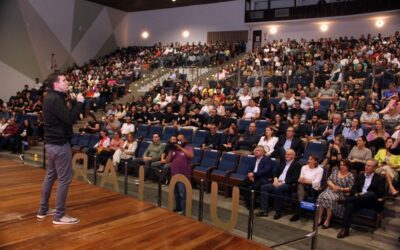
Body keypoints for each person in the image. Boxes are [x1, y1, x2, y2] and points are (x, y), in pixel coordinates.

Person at [37, 72, 84, 225]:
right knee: (64, 179)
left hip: (52, 143)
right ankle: (59, 216)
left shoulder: (52, 97)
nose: (67, 82)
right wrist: (79, 103)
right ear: (56, 85)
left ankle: (43, 210)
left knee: (50, 176)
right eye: (64, 80)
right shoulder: (55, 99)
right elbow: (70, 119)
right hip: (59, 144)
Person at [337, 159, 386, 238]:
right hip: (358, 200)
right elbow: (354, 189)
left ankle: (346, 200)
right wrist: (357, 193)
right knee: (350, 204)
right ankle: (345, 229)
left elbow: (380, 193)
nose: (366, 167)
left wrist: (364, 194)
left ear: (374, 168)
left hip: (371, 202)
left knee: (371, 194)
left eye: (369, 166)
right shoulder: (360, 175)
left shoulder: (380, 178)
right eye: (366, 165)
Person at [256, 149, 301, 219]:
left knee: (279, 188)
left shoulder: (297, 165)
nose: (286, 155)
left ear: (293, 156)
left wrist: (282, 182)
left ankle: (278, 211)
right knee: (264, 187)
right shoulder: (283, 163)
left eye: (289, 154)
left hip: (288, 184)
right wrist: (275, 179)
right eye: (286, 154)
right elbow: (275, 172)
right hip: (278, 182)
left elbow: (294, 178)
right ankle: (264, 210)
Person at [317, 160, 354, 229]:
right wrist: (334, 186)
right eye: (341, 165)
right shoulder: (335, 171)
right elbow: (328, 180)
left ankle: (328, 220)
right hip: (330, 189)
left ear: (348, 167)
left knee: (331, 199)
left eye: (344, 165)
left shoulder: (350, 176)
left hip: (341, 193)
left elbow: (351, 188)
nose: (341, 166)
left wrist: (340, 188)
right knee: (321, 196)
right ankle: (319, 218)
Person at [290, 154, 324, 222]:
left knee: (301, 189)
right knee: (300, 187)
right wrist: (308, 180)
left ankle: (297, 213)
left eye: (311, 159)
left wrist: (306, 180)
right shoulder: (304, 167)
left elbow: (316, 182)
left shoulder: (320, 169)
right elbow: (300, 179)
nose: (309, 161)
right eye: (308, 159)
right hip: (303, 186)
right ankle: (298, 213)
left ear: (316, 161)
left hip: (312, 189)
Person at [166, 134, 194, 214]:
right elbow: (167, 161)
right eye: (178, 140)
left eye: (180, 140)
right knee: (176, 193)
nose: (179, 141)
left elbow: (191, 156)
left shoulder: (189, 148)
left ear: (184, 140)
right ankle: (178, 208)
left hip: (183, 175)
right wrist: (171, 150)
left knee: (183, 193)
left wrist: (181, 148)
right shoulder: (174, 150)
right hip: (174, 174)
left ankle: (184, 210)